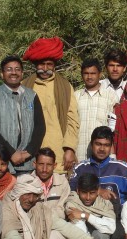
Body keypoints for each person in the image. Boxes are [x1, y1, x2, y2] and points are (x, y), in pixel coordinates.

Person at [22, 37, 79, 173]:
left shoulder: (65, 86)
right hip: (31, 155)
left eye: (49, 64)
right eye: (42, 64)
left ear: (54, 64)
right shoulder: (25, 86)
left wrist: (70, 149)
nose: (45, 69)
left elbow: (73, 120)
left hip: (59, 154)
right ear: (35, 64)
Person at [0, 55, 46, 175]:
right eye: (9, 69)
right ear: (2, 74)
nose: (14, 73)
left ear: (22, 73)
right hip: (2, 163)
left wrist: (29, 151)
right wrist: (11, 153)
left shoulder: (31, 95)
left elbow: (40, 127)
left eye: (17, 69)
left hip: (28, 162)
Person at [65, 173, 116, 239]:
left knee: (103, 234)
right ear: (78, 191)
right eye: (84, 193)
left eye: (92, 193)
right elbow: (77, 227)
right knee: (71, 230)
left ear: (98, 191)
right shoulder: (73, 200)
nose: (88, 197)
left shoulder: (104, 203)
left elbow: (110, 227)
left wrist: (86, 215)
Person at [74, 58, 119, 162]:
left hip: (104, 157)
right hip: (79, 156)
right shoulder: (75, 97)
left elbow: (114, 129)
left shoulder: (111, 96)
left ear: (100, 74)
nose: (89, 77)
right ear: (81, 74)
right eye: (86, 73)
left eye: (93, 73)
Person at [32, 148, 70, 219]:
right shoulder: (27, 182)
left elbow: (63, 210)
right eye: (41, 164)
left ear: (54, 166)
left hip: (57, 224)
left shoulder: (62, 182)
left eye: (49, 165)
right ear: (34, 164)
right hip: (34, 225)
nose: (44, 169)